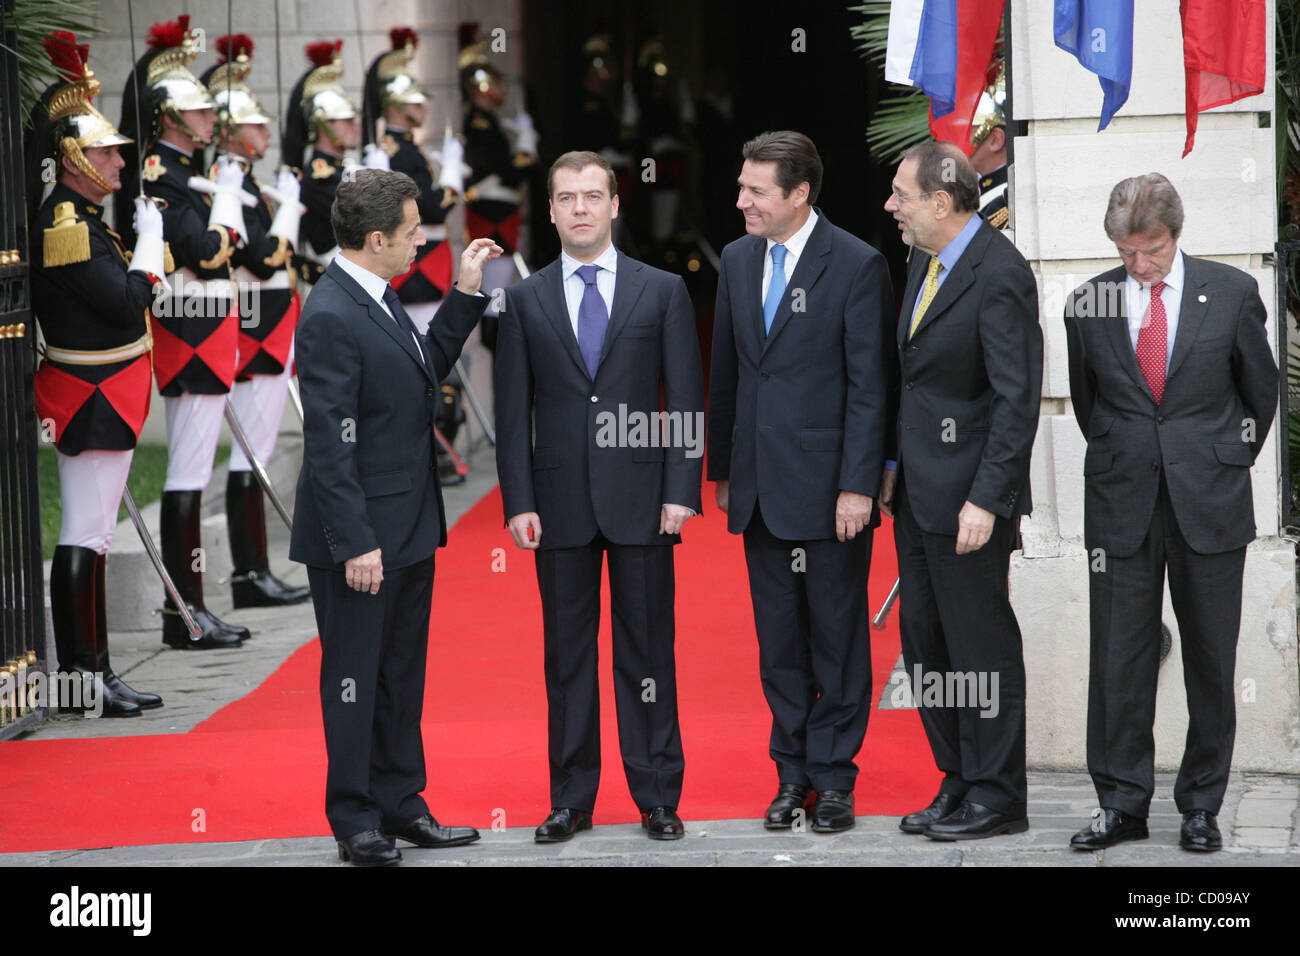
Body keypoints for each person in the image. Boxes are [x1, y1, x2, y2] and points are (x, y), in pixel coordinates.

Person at [290, 169, 500, 866]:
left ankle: (402, 803)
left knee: (399, 676)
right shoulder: (328, 315)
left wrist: (466, 293)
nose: (421, 241)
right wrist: (354, 543)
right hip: (362, 539)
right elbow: (327, 441)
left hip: (406, 527)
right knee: (354, 677)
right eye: (412, 231)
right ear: (376, 238)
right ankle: (355, 819)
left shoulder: (376, 296)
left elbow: (419, 376)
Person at [1063, 173, 1277, 852]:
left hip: (1209, 502)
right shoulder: (1087, 301)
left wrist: (1224, 459)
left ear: (1174, 233)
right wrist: (1129, 452)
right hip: (1122, 501)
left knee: (1211, 659)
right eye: (1126, 252)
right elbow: (1088, 402)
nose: (1138, 264)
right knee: (1118, 657)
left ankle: (1201, 805)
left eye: (1149, 249)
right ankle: (1121, 803)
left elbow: (1260, 393)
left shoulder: (1233, 293)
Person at [495, 151, 704, 843]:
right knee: (567, 656)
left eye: (592, 195)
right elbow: (511, 408)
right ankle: (571, 797)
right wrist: (517, 500)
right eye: (566, 197)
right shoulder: (524, 301)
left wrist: (683, 489)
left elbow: (685, 400)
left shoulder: (662, 291)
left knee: (648, 653)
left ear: (616, 204)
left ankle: (657, 795)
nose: (580, 208)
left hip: (645, 499)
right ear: (550, 211)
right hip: (557, 505)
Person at [707, 131, 894, 834]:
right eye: (742, 187)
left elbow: (871, 385)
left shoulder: (855, 263)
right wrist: (723, 469)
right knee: (779, 644)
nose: (742, 201)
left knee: (837, 640)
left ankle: (835, 779)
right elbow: (726, 370)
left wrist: (858, 484)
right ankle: (791, 776)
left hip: (828, 491)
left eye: (755, 191)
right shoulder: (735, 258)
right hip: (758, 487)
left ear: (798, 194)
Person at [879, 141, 1042, 841]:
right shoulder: (923, 258)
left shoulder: (999, 272)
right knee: (926, 645)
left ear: (941, 203)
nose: (890, 206)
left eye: (900, 195)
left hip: (970, 501)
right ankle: (960, 776)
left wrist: (987, 497)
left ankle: (998, 794)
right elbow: (912, 375)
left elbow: (1016, 398)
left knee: (980, 646)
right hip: (916, 494)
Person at [26, 31, 166, 715]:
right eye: (107, 150)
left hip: (104, 390)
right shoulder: (68, 223)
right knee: (85, 531)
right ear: (74, 158)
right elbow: (125, 304)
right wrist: (152, 248)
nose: (119, 159)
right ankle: (85, 677)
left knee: (94, 533)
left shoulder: (82, 216)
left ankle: (95, 672)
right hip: (92, 394)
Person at [118, 15, 250, 650]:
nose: (210, 121)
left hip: (209, 323)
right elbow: (204, 251)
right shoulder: (159, 173)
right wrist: (227, 203)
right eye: (199, 113)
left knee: (195, 468)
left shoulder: (182, 169)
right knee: (188, 470)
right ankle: (184, 611)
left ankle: (191, 607)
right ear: (170, 117)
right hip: (191, 325)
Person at [201, 34, 311, 610]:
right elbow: (264, 256)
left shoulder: (245, 181)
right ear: (233, 133)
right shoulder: (231, 182)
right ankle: (250, 574)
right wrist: (290, 208)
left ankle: (255, 572)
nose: (268, 133)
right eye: (256, 126)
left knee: (258, 452)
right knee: (251, 454)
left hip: (271, 325)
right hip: (257, 331)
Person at [363, 26, 469, 484]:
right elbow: (428, 204)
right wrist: (451, 184)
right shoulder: (395, 151)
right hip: (419, 268)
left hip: (430, 261)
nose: (424, 107)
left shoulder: (405, 147)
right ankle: (430, 450)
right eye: (414, 101)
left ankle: (436, 449)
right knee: (426, 361)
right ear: (395, 105)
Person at [283, 40, 363, 286]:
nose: (355, 127)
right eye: (345, 121)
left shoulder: (341, 170)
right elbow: (366, 218)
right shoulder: (319, 179)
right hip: (337, 280)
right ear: (323, 125)